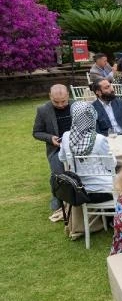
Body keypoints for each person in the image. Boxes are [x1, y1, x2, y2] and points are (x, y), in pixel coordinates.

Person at [58, 101, 115, 204]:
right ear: (92, 118)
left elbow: (62, 158)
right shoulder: (99, 139)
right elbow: (111, 165)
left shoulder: (66, 136)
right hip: (104, 188)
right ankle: (115, 218)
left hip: (79, 189)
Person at [33, 84, 73, 214]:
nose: (61, 105)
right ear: (50, 96)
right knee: (58, 170)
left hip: (78, 146)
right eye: (56, 102)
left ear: (68, 95)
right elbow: (37, 132)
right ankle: (58, 198)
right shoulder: (43, 110)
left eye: (63, 101)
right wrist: (51, 138)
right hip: (56, 149)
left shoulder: (76, 105)